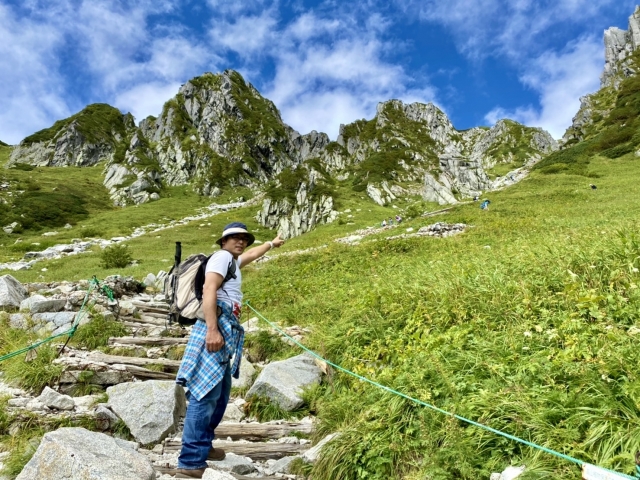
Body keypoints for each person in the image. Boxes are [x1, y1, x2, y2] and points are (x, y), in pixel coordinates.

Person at [175, 222, 285, 479]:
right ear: (223, 241)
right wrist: (213, 330)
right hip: (214, 327)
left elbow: (250, 255)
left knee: (221, 394)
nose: (241, 242)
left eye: (244, 238)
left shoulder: (232, 261)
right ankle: (190, 462)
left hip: (224, 328)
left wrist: (271, 244)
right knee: (205, 394)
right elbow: (209, 289)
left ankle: (204, 444)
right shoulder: (222, 257)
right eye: (234, 238)